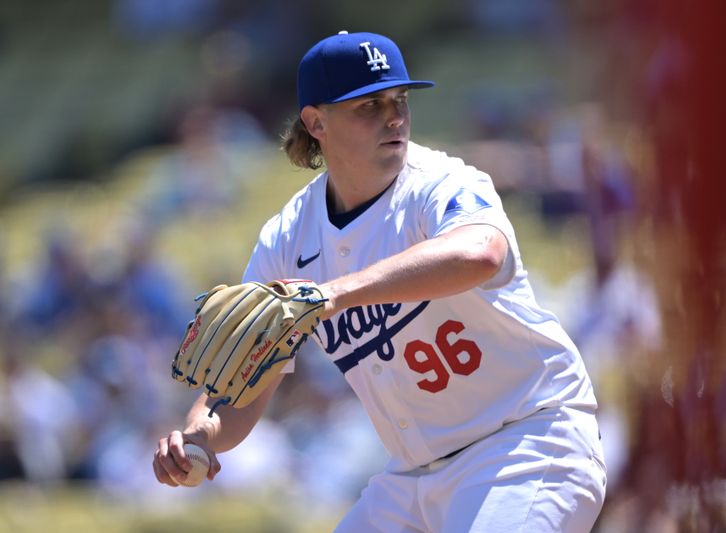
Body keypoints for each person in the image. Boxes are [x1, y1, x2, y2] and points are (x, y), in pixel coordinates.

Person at [153, 30, 606, 532]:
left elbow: (481, 253)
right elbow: (246, 377)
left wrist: (334, 293)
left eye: (399, 100)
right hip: (411, 479)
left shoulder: (441, 183)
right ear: (315, 122)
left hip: (525, 443)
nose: (393, 116)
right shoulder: (287, 238)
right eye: (368, 105)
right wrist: (201, 431)